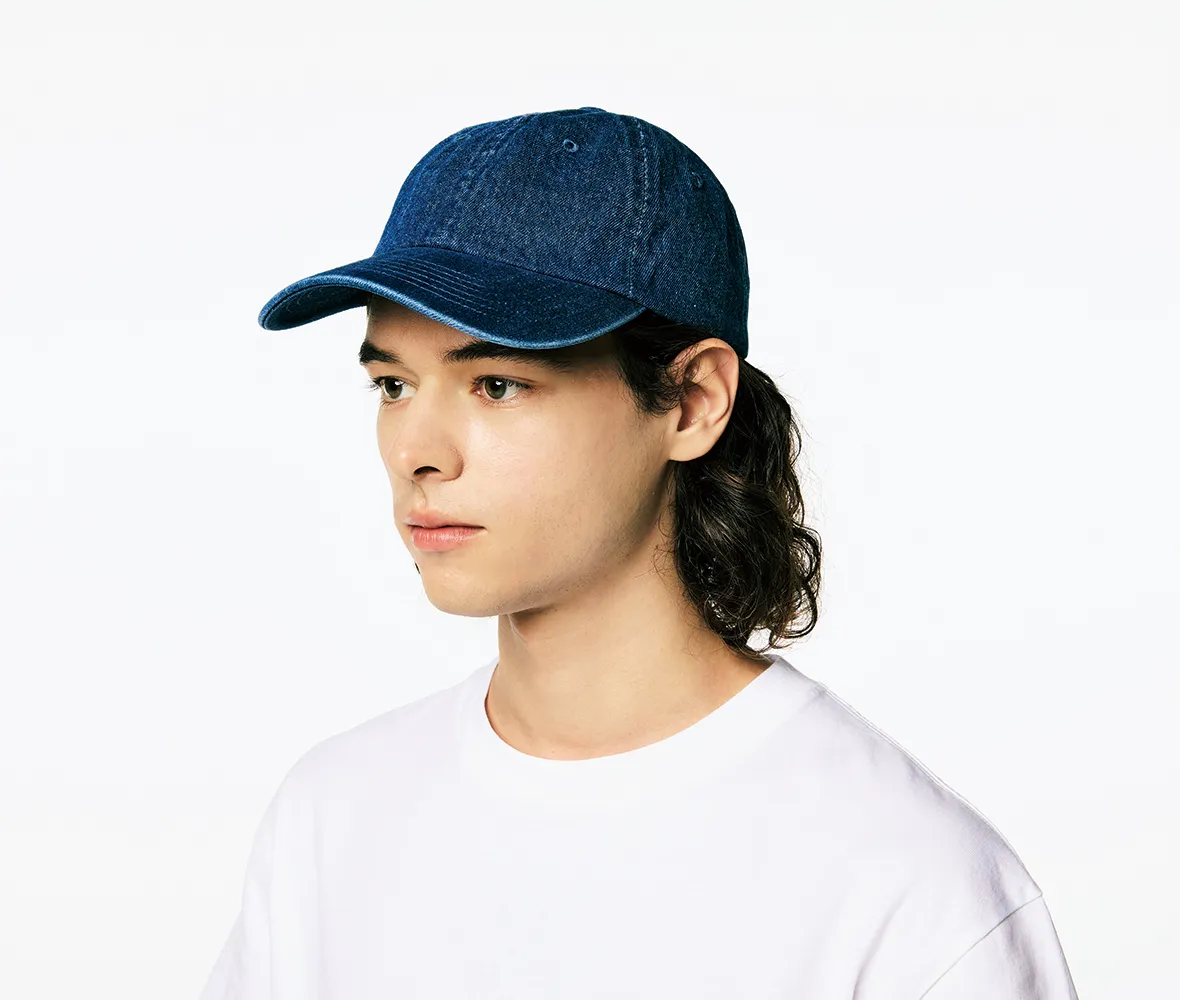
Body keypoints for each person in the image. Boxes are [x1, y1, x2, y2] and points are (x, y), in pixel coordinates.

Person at [197, 106, 1079, 999]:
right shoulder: (332, 821)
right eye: (393, 384)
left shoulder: (907, 886)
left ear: (692, 402)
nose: (416, 452)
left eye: (498, 384)